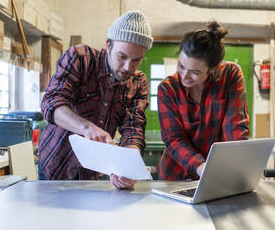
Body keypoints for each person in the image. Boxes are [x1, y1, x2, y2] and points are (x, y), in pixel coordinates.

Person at [38, 11, 153, 188]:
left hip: (91, 173)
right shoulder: (80, 58)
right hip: (55, 164)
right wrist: (86, 128)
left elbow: (133, 128)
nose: (128, 67)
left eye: (136, 60)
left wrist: (128, 167)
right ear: (108, 45)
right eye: (122, 56)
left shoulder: (138, 82)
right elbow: (50, 103)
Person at [157, 21, 249, 181]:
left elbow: (234, 128)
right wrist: (202, 168)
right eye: (181, 66)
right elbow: (174, 139)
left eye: (195, 72)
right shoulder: (168, 88)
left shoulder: (230, 76)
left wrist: (241, 166)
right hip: (176, 175)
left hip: (217, 172)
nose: (184, 76)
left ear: (212, 69)